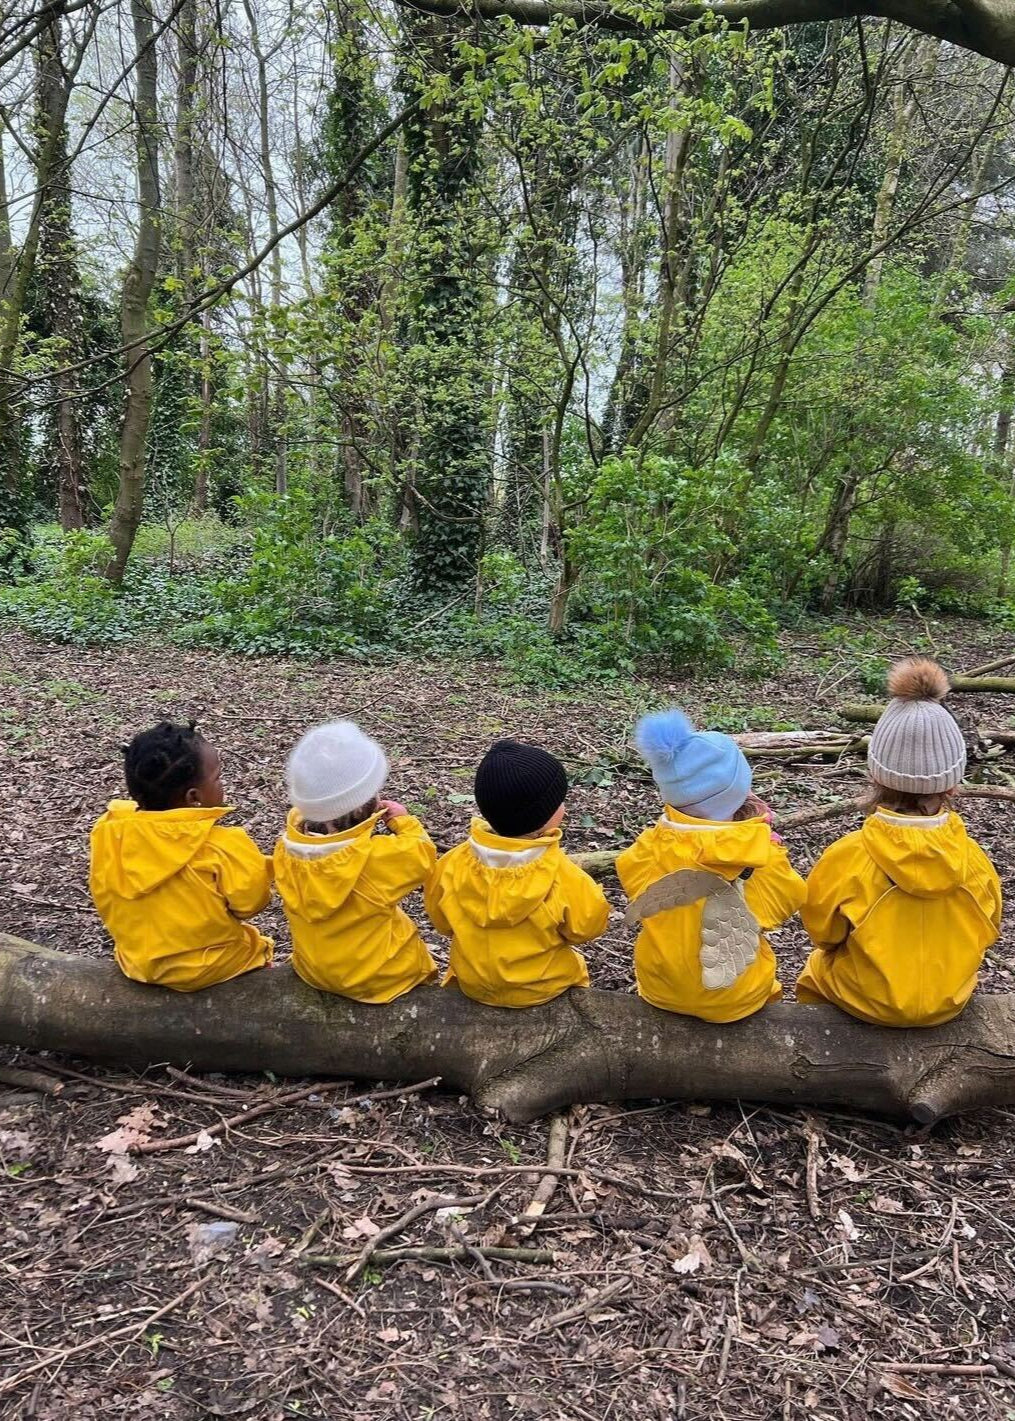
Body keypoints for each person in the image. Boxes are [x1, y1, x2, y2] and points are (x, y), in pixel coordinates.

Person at [797, 657, 1001, 1026]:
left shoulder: (848, 856)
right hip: (948, 1002)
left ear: (875, 773)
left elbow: (823, 934)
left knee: (815, 968)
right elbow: (988, 930)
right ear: (952, 784)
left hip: (865, 1000)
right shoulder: (975, 860)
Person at [617, 708, 805, 1022]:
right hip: (735, 997)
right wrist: (764, 844)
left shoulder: (649, 846)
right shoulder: (761, 856)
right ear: (738, 792)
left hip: (660, 989)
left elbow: (633, 881)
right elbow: (783, 904)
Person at [90, 720, 273, 990]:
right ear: (194, 797)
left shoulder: (108, 831)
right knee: (257, 947)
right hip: (212, 966)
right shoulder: (221, 846)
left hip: (139, 963)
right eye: (218, 777)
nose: (222, 784)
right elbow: (251, 905)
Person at [424, 739, 609, 1007]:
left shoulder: (451, 864)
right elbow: (587, 928)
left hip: (472, 983)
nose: (564, 807)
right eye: (559, 802)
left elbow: (441, 922)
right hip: (543, 988)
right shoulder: (562, 876)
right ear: (544, 816)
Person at [274, 721, 437, 1001]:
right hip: (379, 978)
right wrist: (403, 821)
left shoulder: (286, 849)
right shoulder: (375, 859)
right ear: (368, 802)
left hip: (312, 970)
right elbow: (422, 853)